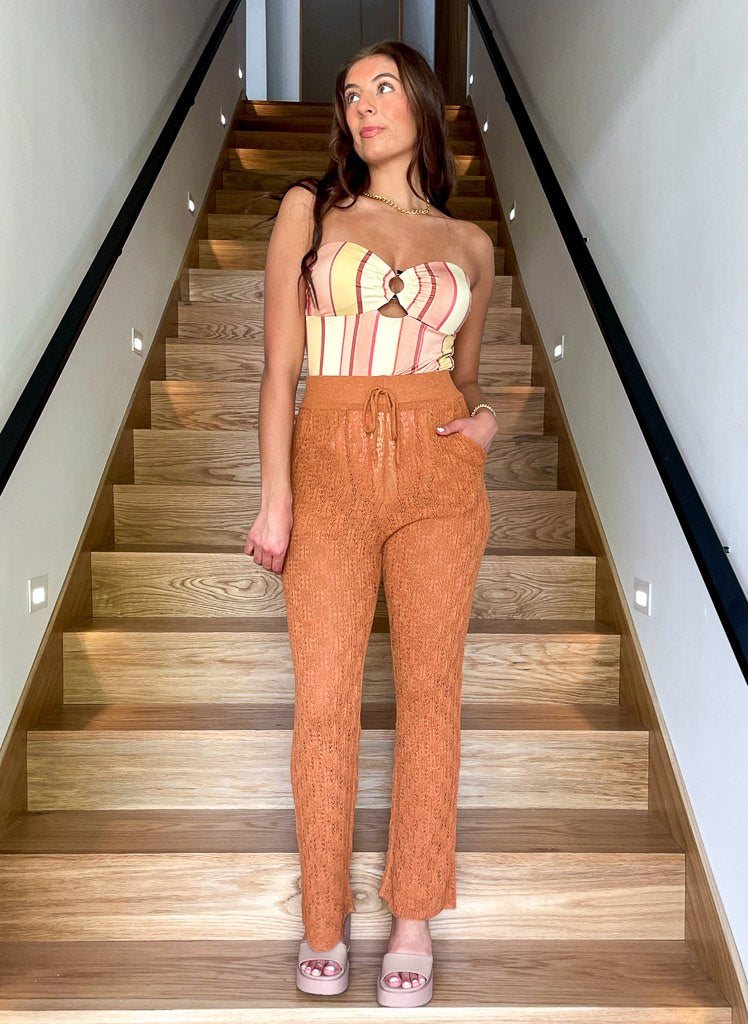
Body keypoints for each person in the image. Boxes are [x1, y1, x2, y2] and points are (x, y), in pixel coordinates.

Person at [244, 38, 497, 1007]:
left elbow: (466, 377)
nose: (364, 106)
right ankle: (324, 920)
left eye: (384, 87)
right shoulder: (309, 209)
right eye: (351, 94)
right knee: (325, 701)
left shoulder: (471, 245)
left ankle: (414, 918)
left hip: (439, 472)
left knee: (432, 696)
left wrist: (485, 424)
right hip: (330, 460)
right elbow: (280, 370)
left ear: (423, 105)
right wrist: (277, 498)